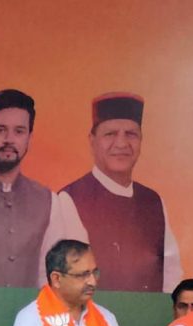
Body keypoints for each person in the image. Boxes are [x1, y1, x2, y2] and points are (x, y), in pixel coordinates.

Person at [0, 89, 82, 287]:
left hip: (31, 308)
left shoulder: (49, 201)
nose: (9, 139)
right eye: (0, 130)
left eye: (19, 131)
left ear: (29, 137)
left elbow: (48, 278)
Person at [58, 92, 182, 292]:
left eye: (131, 134)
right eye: (110, 134)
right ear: (92, 141)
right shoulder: (70, 199)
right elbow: (69, 282)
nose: (122, 144)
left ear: (141, 140)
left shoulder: (153, 201)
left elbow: (171, 275)